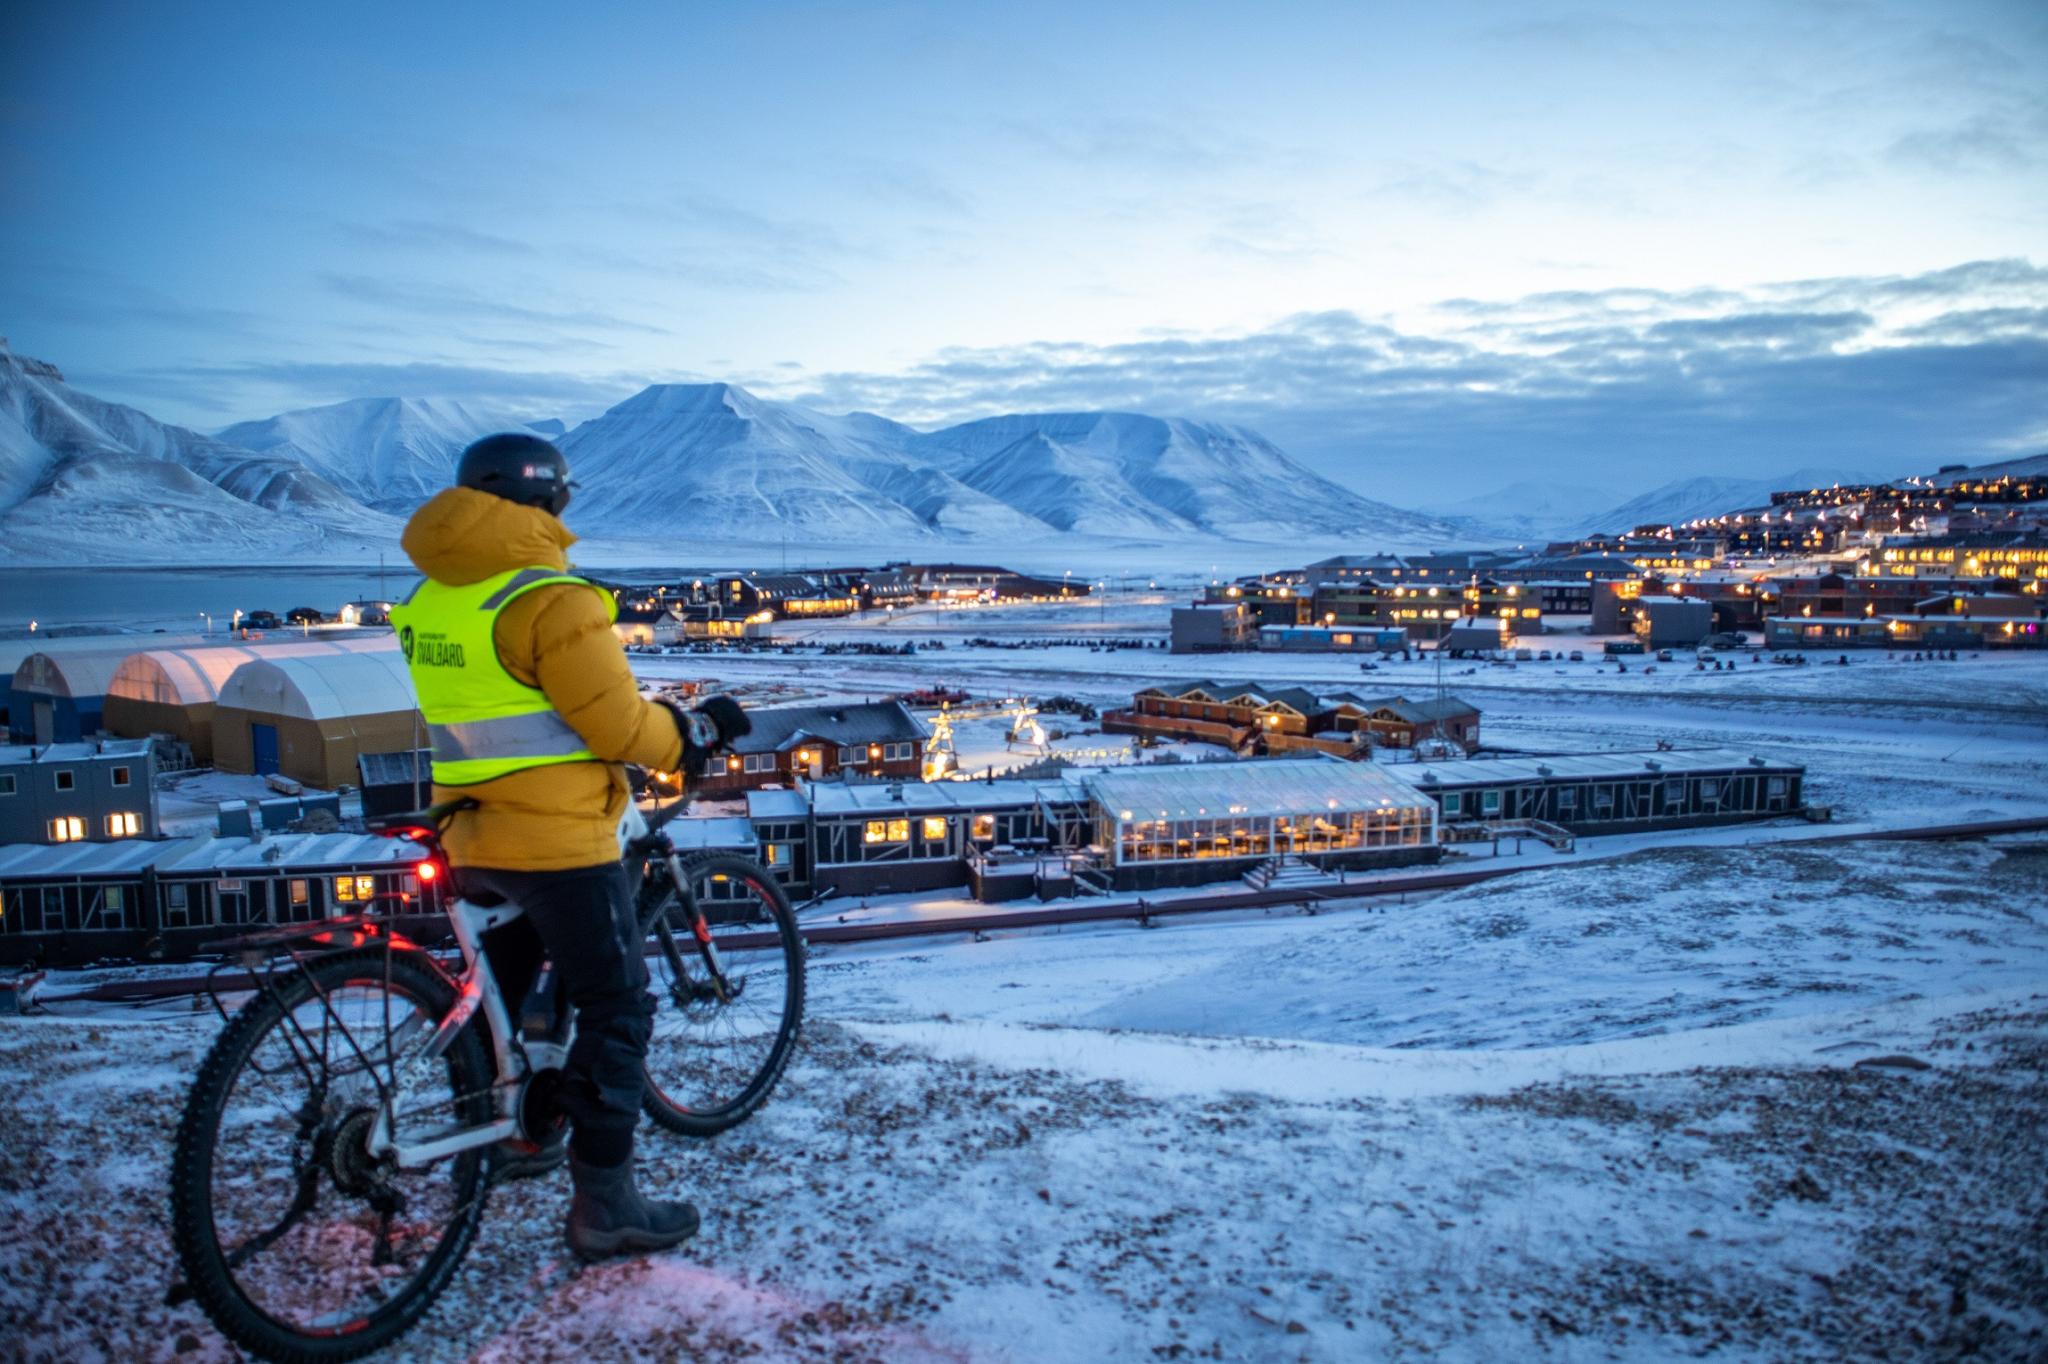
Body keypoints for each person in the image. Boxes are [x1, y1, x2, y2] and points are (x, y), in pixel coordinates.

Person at [389, 432, 750, 1262]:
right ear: (549, 500)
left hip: (466, 823)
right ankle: (606, 1202)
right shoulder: (555, 598)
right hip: (555, 836)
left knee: (506, 997)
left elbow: (514, 702)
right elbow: (618, 726)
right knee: (618, 1002)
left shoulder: (434, 598)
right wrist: (692, 733)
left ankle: (513, 1134)